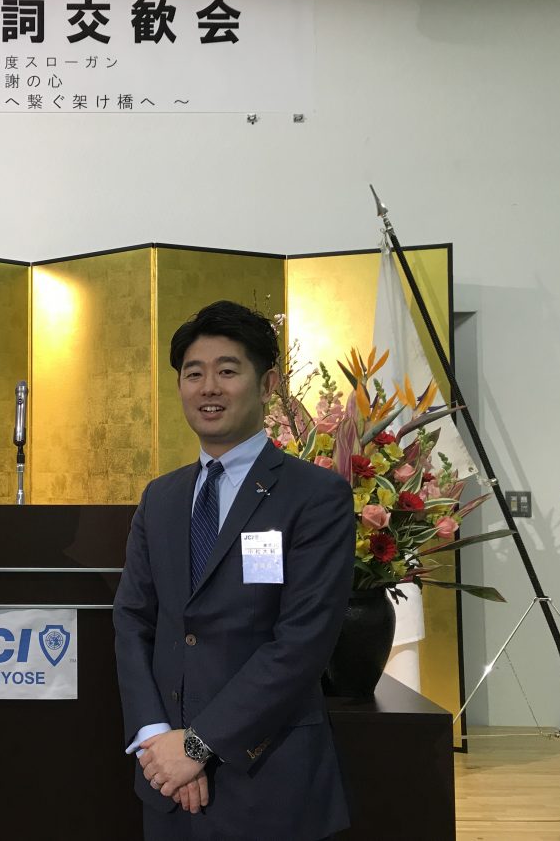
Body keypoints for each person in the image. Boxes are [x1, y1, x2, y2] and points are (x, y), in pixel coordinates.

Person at [113, 301, 354, 840]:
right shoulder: (161, 497)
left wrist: (198, 745)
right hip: (166, 782)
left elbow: (303, 641)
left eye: (227, 371)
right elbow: (133, 620)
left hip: (269, 778)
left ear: (268, 384)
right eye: (193, 374)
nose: (208, 388)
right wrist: (157, 739)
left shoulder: (316, 496)